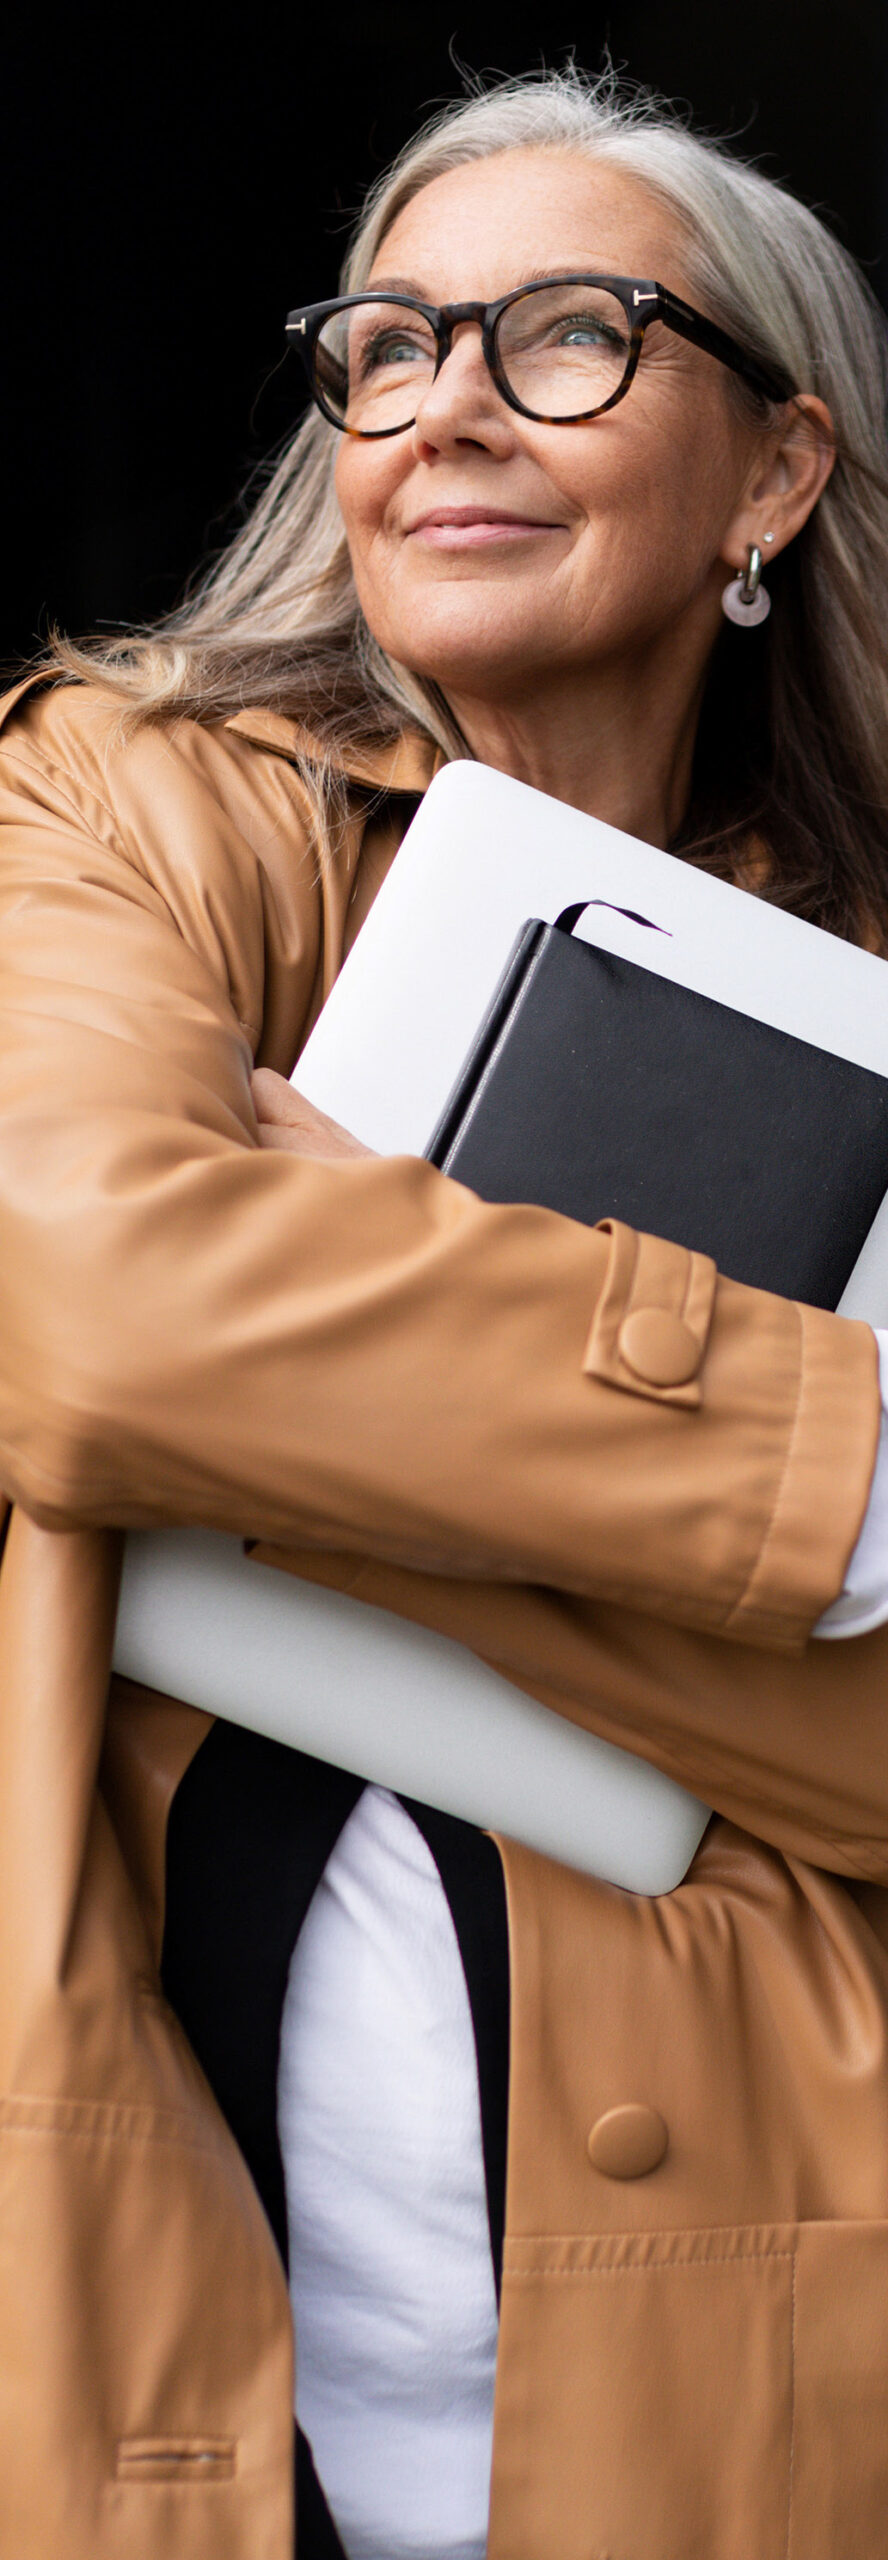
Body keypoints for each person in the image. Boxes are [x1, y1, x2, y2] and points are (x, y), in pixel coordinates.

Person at [3, 60, 888, 2560]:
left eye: (573, 334)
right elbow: (89, 1303)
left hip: (771, 2389)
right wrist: (837, 1479)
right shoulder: (116, 800)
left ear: (776, 476)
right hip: (165, 2356)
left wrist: (306, 1400)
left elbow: (173, 1367)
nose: (449, 408)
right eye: (388, 347)